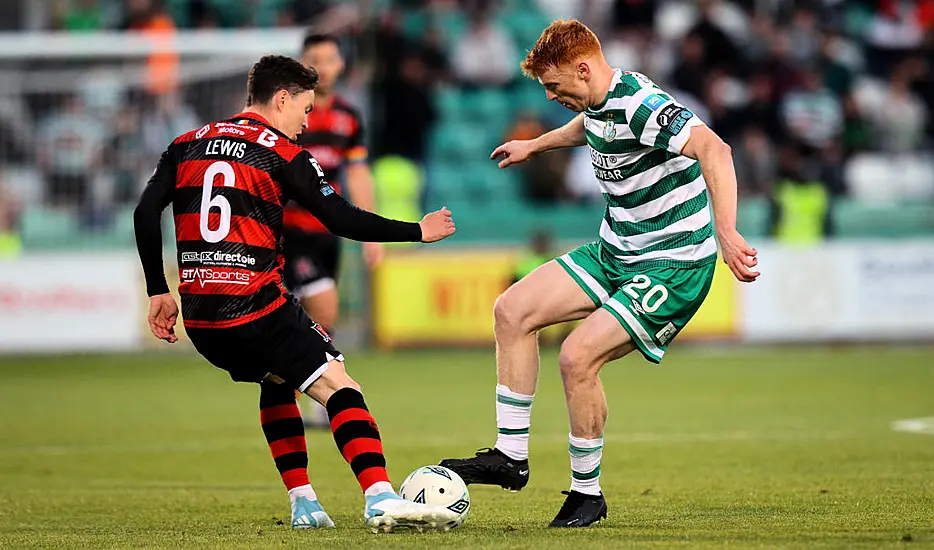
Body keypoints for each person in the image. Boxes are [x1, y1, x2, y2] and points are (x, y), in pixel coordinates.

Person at [440, 20, 759, 528]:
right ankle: (509, 456)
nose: (551, 96)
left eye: (554, 85)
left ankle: (587, 494)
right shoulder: (597, 102)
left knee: (576, 356)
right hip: (617, 252)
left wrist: (727, 231)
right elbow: (587, 127)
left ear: (583, 69)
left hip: (672, 264)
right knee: (512, 311)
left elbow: (714, 149)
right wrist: (534, 146)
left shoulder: (642, 105)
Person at [133, 55, 458, 533]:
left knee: (277, 381)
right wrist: (417, 231)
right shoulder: (281, 152)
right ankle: (380, 496)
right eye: (304, 110)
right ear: (281, 98)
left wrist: (158, 291)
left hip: (202, 320)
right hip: (256, 305)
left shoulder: (185, 143)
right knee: (340, 386)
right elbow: (341, 218)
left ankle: (304, 503)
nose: (306, 124)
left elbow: (144, 213)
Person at [282, 34, 381, 428]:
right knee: (323, 304)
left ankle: (301, 395)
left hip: (327, 233)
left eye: (329, 58)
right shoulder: (287, 111)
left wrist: (371, 231)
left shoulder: (349, 117)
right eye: (314, 59)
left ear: (341, 64)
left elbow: (356, 172)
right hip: (286, 231)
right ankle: (323, 398)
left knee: (310, 319)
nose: (322, 66)